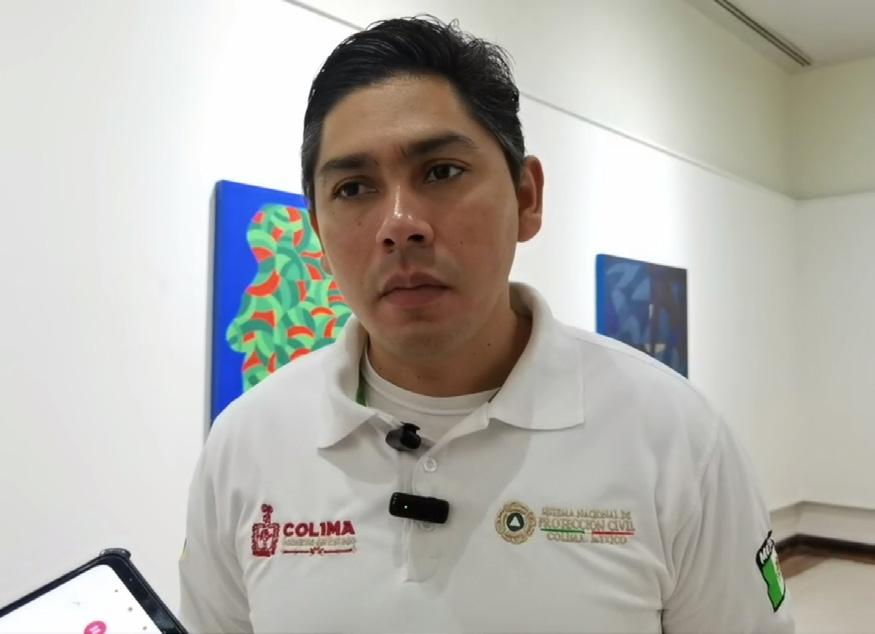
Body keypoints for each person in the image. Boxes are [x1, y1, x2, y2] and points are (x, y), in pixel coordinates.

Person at [179, 16, 795, 633]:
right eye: (355, 187)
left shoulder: (677, 441)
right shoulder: (245, 448)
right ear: (317, 228)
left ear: (527, 197)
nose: (399, 224)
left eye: (441, 171)